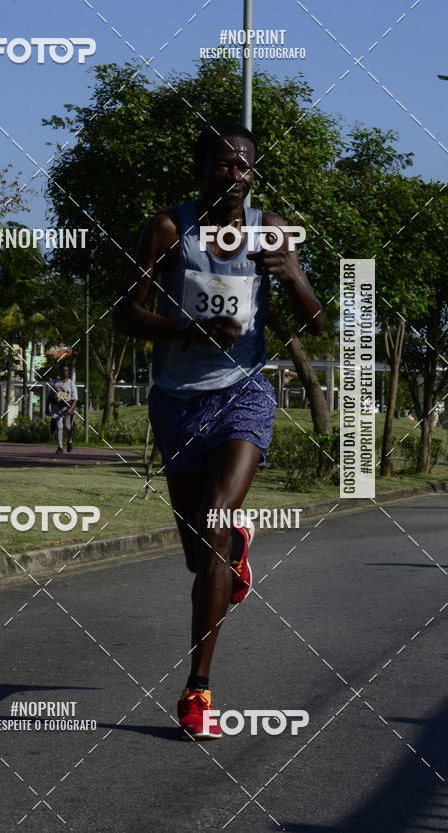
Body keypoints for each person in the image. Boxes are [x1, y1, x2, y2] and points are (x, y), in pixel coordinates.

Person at [113, 122, 323, 739]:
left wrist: (293, 277)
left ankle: (196, 692)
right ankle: (234, 556)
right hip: (176, 402)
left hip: (244, 396)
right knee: (196, 554)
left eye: (245, 167)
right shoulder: (168, 229)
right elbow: (125, 311)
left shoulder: (270, 229)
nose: (234, 176)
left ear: (254, 174)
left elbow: (315, 323)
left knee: (212, 526)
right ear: (201, 168)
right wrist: (186, 331)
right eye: (222, 164)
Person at [50, 364, 78, 454]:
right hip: (56, 408)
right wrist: (47, 407)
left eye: (66, 371)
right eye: (63, 370)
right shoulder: (55, 382)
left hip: (66, 408)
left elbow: (75, 399)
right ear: (60, 371)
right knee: (59, 426)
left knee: (67, 426)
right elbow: (49, 397)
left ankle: (69, 441)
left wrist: (71, 409)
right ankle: (60, 447)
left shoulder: (71, 384)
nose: (65, 372)